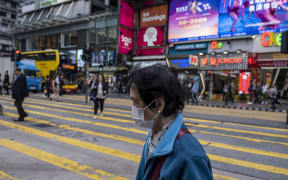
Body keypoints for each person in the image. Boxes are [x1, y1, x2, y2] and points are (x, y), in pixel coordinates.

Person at [129, 65, 213, 180]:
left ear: (159, 105)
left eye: (136, 102)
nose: (133, 108)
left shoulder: (190, 157)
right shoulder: (153, 136)